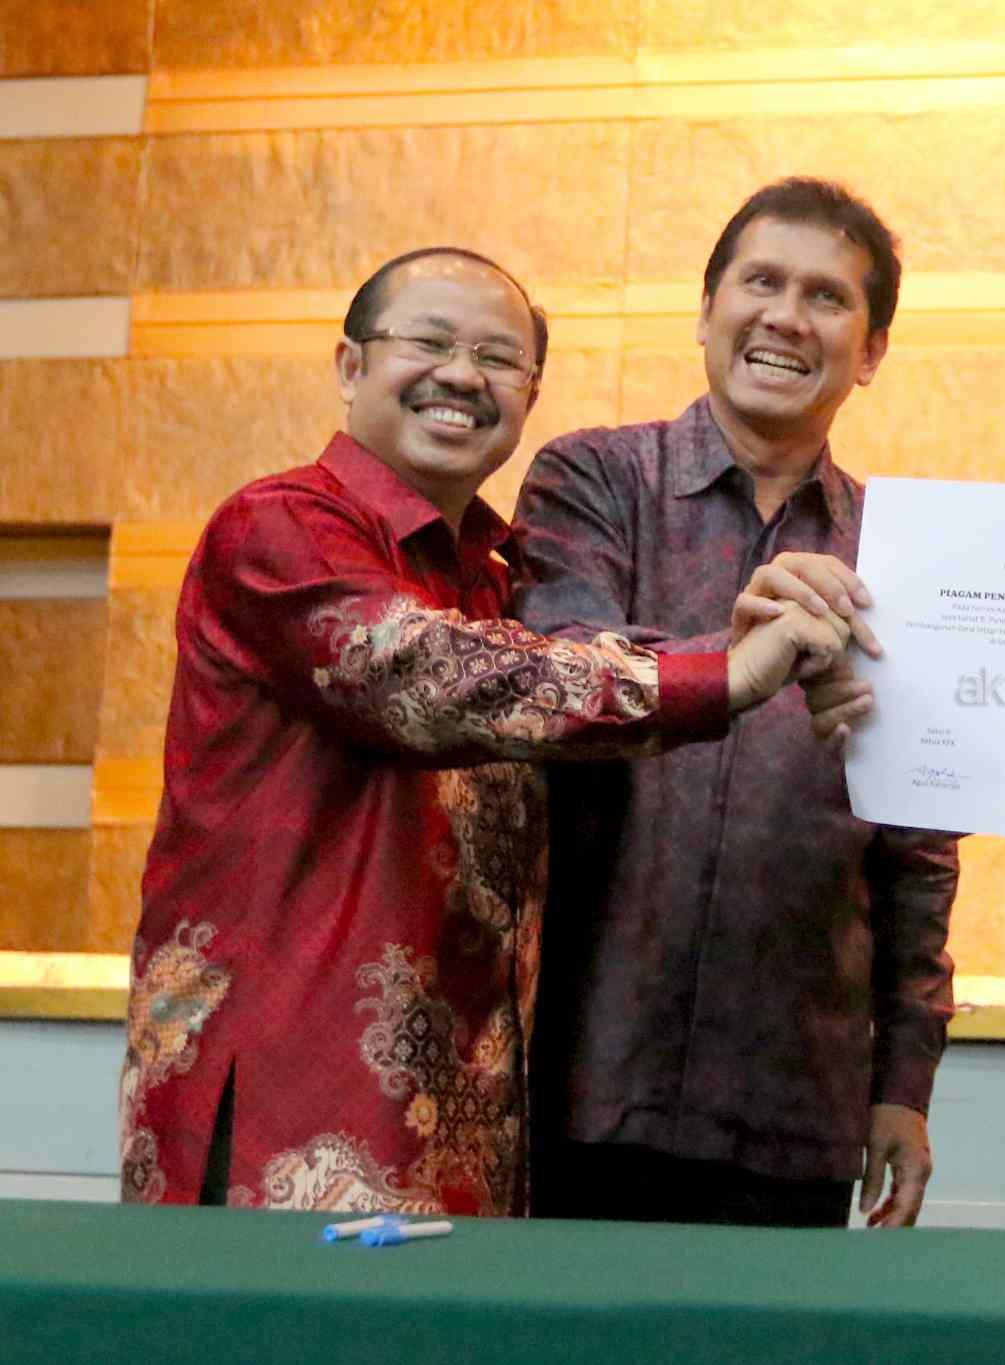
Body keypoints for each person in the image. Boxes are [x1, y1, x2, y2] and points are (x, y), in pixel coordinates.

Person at [118, 247, 849, 1215]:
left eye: (499, 358)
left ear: (531, 395)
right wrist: (729, 675)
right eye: (428, 342)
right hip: (283, 1132)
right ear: (350, 366)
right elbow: (434, 674)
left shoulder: (503, 584)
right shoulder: (279, 530)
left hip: (472, 1142)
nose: (462, 375)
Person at [510, 179, 958, 1229]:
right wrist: (738, 659)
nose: (786, 317)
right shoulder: (591, 479)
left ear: (871, 350)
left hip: (794, 1109)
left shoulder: (903, 553)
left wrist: (905, 1082)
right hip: (576, 1081)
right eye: (760, 283)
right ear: (706, 310)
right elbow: (562, 677)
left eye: (826, 297)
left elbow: (917, 850)